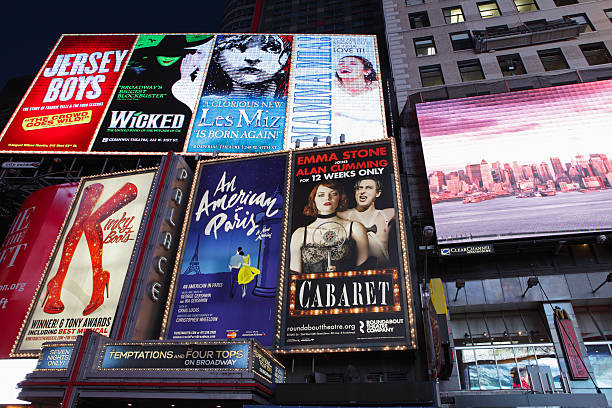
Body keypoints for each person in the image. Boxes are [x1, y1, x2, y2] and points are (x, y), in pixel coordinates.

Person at [289, 182, 368, 273]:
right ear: (313, 199)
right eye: (321, 195)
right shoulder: (300, 234)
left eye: (333, 194)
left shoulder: (355, 228)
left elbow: (364, 272)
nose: (327, 198)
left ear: (340, 198)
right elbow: (295, 278)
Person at [203, 34, 291, 99]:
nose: (252, 58)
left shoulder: (291, 106)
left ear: (285, 57)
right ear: (217, 55)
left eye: (271, 48)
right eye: (236, 47)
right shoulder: (206, 103)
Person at [339, 177, 395, 266]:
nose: (362, 191)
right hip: (356, 272)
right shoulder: (343, 216)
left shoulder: (388, 214)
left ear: (378, 193)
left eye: (368, 188)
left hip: (383, 270)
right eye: (359, 188)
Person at [332, 55, 384, 143]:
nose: (344, 66)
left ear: (367, 71)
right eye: (341, 63)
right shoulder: (331, 89)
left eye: (353, 64)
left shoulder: (378, 91)